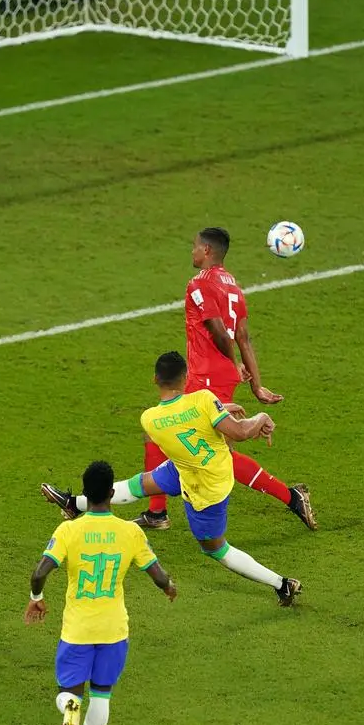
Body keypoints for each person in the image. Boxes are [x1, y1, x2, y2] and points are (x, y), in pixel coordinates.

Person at [42, 351, 302, 606]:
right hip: (203, 473)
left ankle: (281, 583)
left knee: (215, 549)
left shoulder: (150, 418)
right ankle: (74, 504)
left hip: (204, 488)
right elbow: (240, 432)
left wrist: (219, 412)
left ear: (155, 379)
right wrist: (261, 417)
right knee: (140, 484)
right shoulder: (203, 399)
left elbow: (182, 422)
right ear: (187, 377)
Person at [133, 227, 316, 533]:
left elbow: (219, 330)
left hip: (206, 378)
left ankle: (291, 496)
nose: (191, 252)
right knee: (162, 437)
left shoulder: (199, 285)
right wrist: (255, 382)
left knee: (213, 453)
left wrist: (233, 366)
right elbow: (243, 337)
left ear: (206, 250)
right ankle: (156, 513)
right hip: (217, 375)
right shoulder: (234, 287)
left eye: (194, 247)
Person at [24, 460, 177, 725]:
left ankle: (69, 707)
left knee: (69, 693)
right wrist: (168, 587)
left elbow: (39, 572)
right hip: (113, 630)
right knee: (103, 695)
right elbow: (157, 574)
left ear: (85, 493)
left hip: (78, 630)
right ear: (111, 493)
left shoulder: (69, 530)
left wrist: (36, 600)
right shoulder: (130, 532)